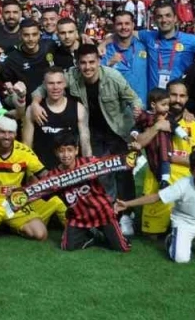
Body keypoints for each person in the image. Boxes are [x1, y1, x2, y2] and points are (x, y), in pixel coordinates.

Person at [27, 43, 142, 236]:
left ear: (99, 61)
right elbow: (42, 87)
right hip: (93, 132)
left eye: (91, 62)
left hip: (118, 131)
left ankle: (127, 215)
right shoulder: (71, 76)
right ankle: (109, 213)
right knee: (101, 174)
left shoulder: (113, 77)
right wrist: (35, 103)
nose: (87, 67)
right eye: (83, 63)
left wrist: (137, 109)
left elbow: (134, 98)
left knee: (124, 174)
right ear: (77, 63)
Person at [0, 118, 61, 243]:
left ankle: (9, 226)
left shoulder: (24, 152)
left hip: (14, 201)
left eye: (10, 132)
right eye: (2, 132)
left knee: (40, 234)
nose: (6, 136)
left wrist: (63, 178)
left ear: (15, 134)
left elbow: (45, 175)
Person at [31, 132, 129, 252]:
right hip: (78, 217)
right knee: (67, 247)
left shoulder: (90, 163)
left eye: (69, 150)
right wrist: (20, 193)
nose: (66, 155)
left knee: (122, 248)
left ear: (76, 150)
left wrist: (131, 155)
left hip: (102, 212)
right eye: (61, 151)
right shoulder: (52, 177)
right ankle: (93, 236)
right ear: (56, 152)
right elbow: (36, 193)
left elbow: (115, 163)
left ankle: (108, 233)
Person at [138, 82, 195, 241]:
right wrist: (157, 127)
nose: (177, 100)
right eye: (173, 95)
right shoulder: (149, 119)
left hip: (185, 184)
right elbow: (138, 142)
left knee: (192, 236)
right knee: (152, 235)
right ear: (166, 96)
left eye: (182, 96)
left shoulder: (192, 123)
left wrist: (169, 157)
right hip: (157, 182)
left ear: (187, 98)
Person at [22, 67, 90, 169]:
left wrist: (88, 168)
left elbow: (85, 144)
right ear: (44, 85)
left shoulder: (78, 108)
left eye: (59, 83)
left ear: (65, 84)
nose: (55, 87)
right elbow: (26, 146)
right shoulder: (32, 110)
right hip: (43, 171)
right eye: (51, 83)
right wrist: (34, 172)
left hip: (72, 172)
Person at [139, 0, 195, 92]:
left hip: (178, 97)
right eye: (159, 16)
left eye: (168, 15)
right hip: (155, 98)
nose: (164, 20)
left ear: (175, 18)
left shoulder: (191, 40)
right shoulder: (148, 37)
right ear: (155, 20)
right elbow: (127, 32)